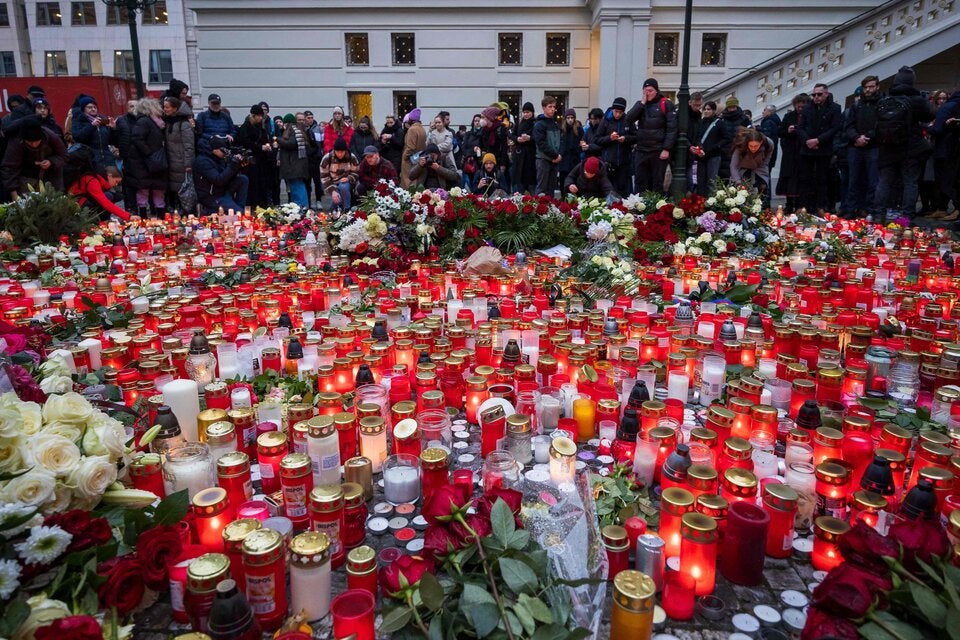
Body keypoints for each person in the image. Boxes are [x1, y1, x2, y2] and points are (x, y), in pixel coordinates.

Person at [874, 66, 936, 221]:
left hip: (887, 148)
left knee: (884, 182)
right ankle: (906, 218)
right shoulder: (917, 100)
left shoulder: (885, 100)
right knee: (910, 182)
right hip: (910, 148)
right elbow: (930, 115)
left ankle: (878, 215)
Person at [797, 83, 843, 214]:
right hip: (807, 148)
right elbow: (800, 127)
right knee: (805, 178)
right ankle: (803, 206)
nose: (816, 97)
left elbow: (834, 128)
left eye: (819, 94)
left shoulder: (834, 108)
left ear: (826, 94)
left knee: (822, 179)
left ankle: (821, 206)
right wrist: (807, 141)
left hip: (823, 148)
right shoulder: (807, 109)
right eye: (814, 94)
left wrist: (818, 140)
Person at [625, 78, 677, 192]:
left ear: (656, 91)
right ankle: (638, 206)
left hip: (658, 150)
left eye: (650, 90)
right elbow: (628, 119)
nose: (647, 93)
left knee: (657, 182)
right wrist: (641, 104)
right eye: (645, 91)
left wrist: (666, 148)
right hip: (641, 150)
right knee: (640, 181)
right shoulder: (641, 105)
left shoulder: (666, 104)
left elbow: (672, 129)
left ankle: (656, 207)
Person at [843, 76, 882, 219]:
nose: (868, 90)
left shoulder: (881, 104)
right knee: (853, 179)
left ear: (877, 87)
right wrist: (856, 137)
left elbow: (880, 125)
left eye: (871, 86)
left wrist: (867, 137)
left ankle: (870, 209)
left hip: (873, 146)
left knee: (873, 181)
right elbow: (848, 126)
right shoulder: (856, 106)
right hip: (856, 146)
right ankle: (851, 208)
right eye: (866, 87)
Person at [1, 122, 67, 197]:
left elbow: (64, 156)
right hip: (25, 179)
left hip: (52, 178)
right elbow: (9, 168)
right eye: (30, 142)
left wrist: (51, 161)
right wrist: (14, 194)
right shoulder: (16, 142)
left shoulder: (51, 136)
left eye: (37, 141)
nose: (34, 145)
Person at [127, 98, 167, 217]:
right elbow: (137, 138)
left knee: (156, 189)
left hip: (152, 162)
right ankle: (146, 217)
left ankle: (159, 214)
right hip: (146, 162)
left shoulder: (153, 121)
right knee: (145, 190)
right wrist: (150, 153)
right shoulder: (145, 121)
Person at [193, 136, 248, 213]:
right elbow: (218, 180)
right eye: (223, 150)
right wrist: (233, 165)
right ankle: (209, 210)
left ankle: (237, 208)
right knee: (241, 213)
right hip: (211, 197)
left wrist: (238, 166)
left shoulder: (218, 158)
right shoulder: (203, 161)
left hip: (222, 191)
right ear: (214, 149)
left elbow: (227, 175)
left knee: (242, 179)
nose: (224, 153)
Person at [596, 97, 637, 196]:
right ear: (613, 109)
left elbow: (636, 136)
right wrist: (610, 138)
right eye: (616, 111)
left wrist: (625, 139)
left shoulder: (628, 120)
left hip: (624, 162)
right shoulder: (605, 121)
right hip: (609, 162)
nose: (618, 114)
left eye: (620, 112)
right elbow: (597, 139)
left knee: (622, 190)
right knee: (609, 190)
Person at [929, 88, 960, 220]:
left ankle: (949, 208)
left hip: (945, 149)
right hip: (952, 148)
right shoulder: (954, 106)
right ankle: (942, 208)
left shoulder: (948, 107)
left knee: (946, 181)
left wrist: (928, 127)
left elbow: (938, 129)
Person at [777, 94, 809, 212]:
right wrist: (788, 130)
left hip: (803, 151)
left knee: (801, 178)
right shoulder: (789, 116)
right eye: (798, 106)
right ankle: (789, 204)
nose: (800, 109)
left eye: (802, 107)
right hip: (790, 152)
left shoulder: (809, 116)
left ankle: (800, 204)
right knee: (788, 178)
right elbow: (780, 131)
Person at [236, 104, 273, 208]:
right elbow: (245, 142)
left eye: (262, 116)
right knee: (252, 185)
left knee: (262, 184)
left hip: (261, 161)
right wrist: (260, 147)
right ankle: (251, 206)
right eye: (259, 116)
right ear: (253, 115)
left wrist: (267, 146)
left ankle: (261, 205)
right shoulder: (245, 127)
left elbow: (265, 139)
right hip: (250, 162)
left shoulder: (261, 128)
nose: (261, 118)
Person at [162, 96, 195, 210]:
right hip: (171, 161)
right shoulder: (168, 122)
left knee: (183, 189)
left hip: (181, 162)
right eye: (164, 107)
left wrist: (188, 163)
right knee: (175, 188)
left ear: (175, 108)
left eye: (167, 107)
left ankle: (186, 211)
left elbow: (188, 145)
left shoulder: (183, 123)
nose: (165, 109)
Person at [278, 113, 316, 208]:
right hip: (296, 164)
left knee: (298, 186)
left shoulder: (293, 131)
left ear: (287, 123)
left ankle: (303, 207)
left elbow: (291, 144)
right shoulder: (297, 130)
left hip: (295, 165)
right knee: (295, 187)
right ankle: (298, 207)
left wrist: (278, 140)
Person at [729, 127, 775, 205]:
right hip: (743, 168)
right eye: (751, 146)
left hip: (759, 168)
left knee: (762, 189)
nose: (753, 148)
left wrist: (764, 179)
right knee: (742, 195)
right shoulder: (741, 146)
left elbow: (765, 163)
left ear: (761, 142)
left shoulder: (769, 144)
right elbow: (734, 166)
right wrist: (738, 182)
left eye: (756, 146)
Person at [70, 96, 116, 168]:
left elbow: (112, 141)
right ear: (83, 109)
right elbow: (78, 137)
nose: (93, 109)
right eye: (89, 107)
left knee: (114, 178)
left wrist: (113, 129)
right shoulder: (79, 121)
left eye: (95, 107)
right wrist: (92, 126)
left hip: (108, 159)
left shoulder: (103, 120)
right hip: (91, 160)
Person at [690, 101, 724, 196]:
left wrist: (716, 146)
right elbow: (697, 137)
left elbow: (726, 138)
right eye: (704, 109)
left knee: (711, 181)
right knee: (700, 181)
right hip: (701, 155)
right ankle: (700, 203)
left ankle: (711, 203)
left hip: (713, 155)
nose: (706, 111)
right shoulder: (700, 122)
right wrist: (698, 148)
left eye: (708, 109)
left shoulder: (719, 123)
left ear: (713, 110)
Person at [533, 96, 562, 196]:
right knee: (542, 188)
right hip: (543, 159)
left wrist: (559, 155)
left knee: (551, 189)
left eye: (554, 106)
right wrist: (555, 155)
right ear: (544, 108)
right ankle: (538, 210)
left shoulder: (555, 124)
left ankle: (550, 209)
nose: (553, 109)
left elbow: (560, 141)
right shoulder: (539, 124)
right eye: (550, 106)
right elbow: (541, 144)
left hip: (555, 160)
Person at [113, 99, 139, 211]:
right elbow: (115, 139)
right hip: (126, 157)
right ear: (127, 107)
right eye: (131, 106)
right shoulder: (121, 120)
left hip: (139, 157)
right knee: (128, 185)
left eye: (136, 106)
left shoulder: (142, 120)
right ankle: (131, 207)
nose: (134, 109)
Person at [715, 98, 751, 180]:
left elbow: (749, 132)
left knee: (737, 173)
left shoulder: (744, 119)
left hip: (738, 149)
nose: (731, 109)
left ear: (736, 106)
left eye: (733, 107)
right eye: (730, 107)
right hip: (724, 150)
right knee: (724, 175)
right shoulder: (722, 118)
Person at [320, 137, 359, 211]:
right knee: (337, 194)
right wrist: (333, 191)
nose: (340, 154)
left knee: (343, 187)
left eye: (342, 152)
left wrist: (349, 178)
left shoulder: (352, 157)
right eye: (338, 152)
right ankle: (337, 209)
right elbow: (324, 177)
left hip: (346, 182)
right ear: (334, 150)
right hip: (331, 183)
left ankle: (346, 208)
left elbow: (356, 173)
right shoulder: (327, 158)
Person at [512, 102, 537, 194]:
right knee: (520, 185)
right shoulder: (520, 123)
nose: (526, 114)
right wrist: (517, 139)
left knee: (531, 186)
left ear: (532, 113)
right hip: (519, 157)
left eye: (528, 112)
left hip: (531, 157)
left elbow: (538, 138)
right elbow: (512, 134)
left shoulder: (535, 123)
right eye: (524, 112)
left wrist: (529, 138)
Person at [400, 108, 426, 188]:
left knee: (409, 183)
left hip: (410, 160)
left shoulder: (412, 129)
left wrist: (405, 156)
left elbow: (410, 147)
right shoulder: (422, 129)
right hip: (418, 159)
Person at [558, 109, 584, 190]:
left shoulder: (579, 129)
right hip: (564, 161)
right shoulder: (561, 129)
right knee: (563, 182)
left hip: (574, 160)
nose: (570, 120)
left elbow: (583, 142)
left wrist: (578, 149)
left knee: (574, 182)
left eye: (572, 118)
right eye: (568, 118)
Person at [758, 104, 781, 170]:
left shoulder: (768, 122)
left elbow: (766, 137)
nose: (763, 112)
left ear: (769, 112)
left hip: (767, 153)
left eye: (765, 110)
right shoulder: (775, 121)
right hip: (772, 152)